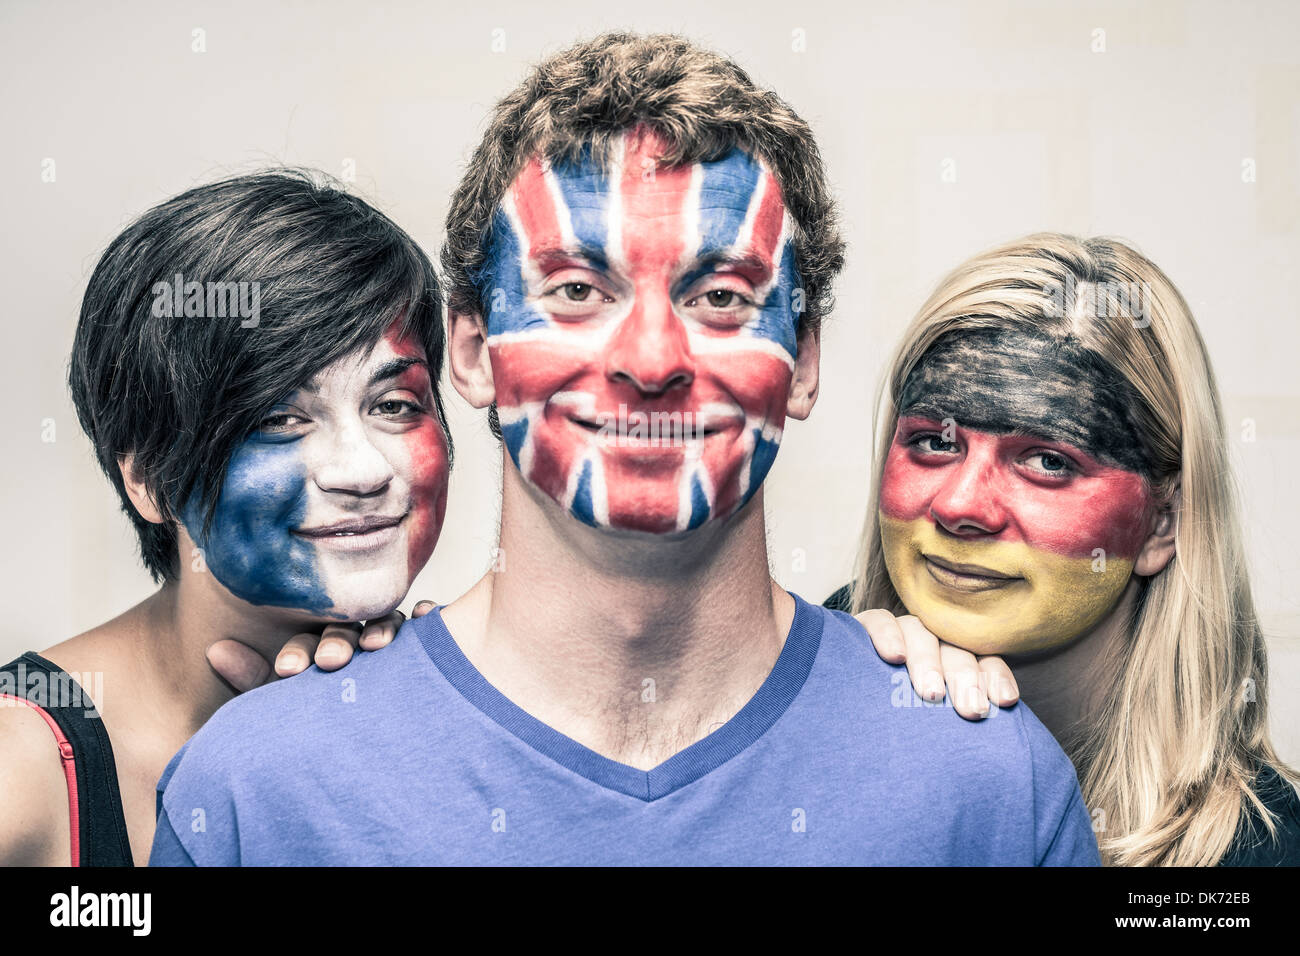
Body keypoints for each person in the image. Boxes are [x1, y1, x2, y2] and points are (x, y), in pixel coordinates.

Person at [151, 33, 1099, 866]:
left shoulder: (987, 785)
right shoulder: (257, 794)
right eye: (574, 291)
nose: (652, 361)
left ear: (803, 364)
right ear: (474, 353)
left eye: (721, 298)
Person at [0, 170, 452, 866]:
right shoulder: (21, 763)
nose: (364, 471)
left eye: (393, 405)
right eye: (280, 417)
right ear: (148, 476)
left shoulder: (429, 718)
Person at [827, 233, 1300, 866]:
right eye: (935, 444)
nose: (962, 506)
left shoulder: (1259, 855)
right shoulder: (819, 661)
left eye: (1048, 461)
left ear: (1163, 524)